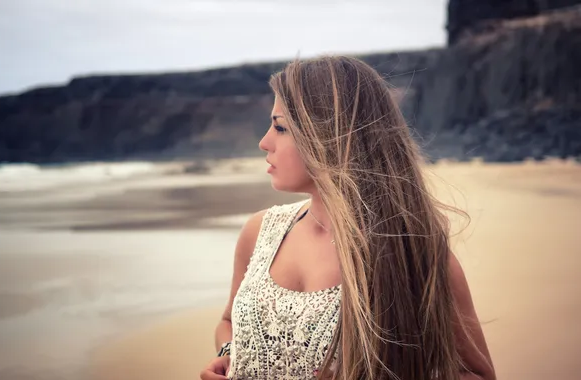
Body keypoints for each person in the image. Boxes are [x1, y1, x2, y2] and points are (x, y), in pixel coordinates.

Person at [200, 55, 495, 380]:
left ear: (331, 135)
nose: (264, 142)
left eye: (280, 127)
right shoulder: (260, 232)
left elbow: (477, 374)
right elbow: (228, 322)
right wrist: (229, 353)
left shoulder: (414, 253)